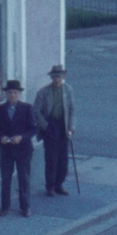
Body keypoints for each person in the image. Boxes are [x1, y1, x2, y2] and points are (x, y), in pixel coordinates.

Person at [0, 79, 39, 216]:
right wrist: (1, 137)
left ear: (19, 94)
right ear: (6, 94)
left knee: (24, 178)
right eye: (10, 92)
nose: (13, 95)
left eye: (15, 93)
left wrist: (22, 137)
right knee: (6, 178)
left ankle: (25, 207)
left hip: (23, 150)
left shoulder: (27, 108)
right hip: (6, 150)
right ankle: (5, 206)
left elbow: (33, 129)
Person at [33, 64, 75, 197]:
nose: (57, 79)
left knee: (63, 158)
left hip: (63, 125)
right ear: (51, 77)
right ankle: (50, 186)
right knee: (51, 158)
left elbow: (72, 109)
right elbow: (36, 111)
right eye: (55, 76)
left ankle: (59, 184)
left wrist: (71, 126)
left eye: (59, 76)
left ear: (64, 76)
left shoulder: (68, 90)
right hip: (50, 126)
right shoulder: (43, 92)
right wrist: (45, 125)